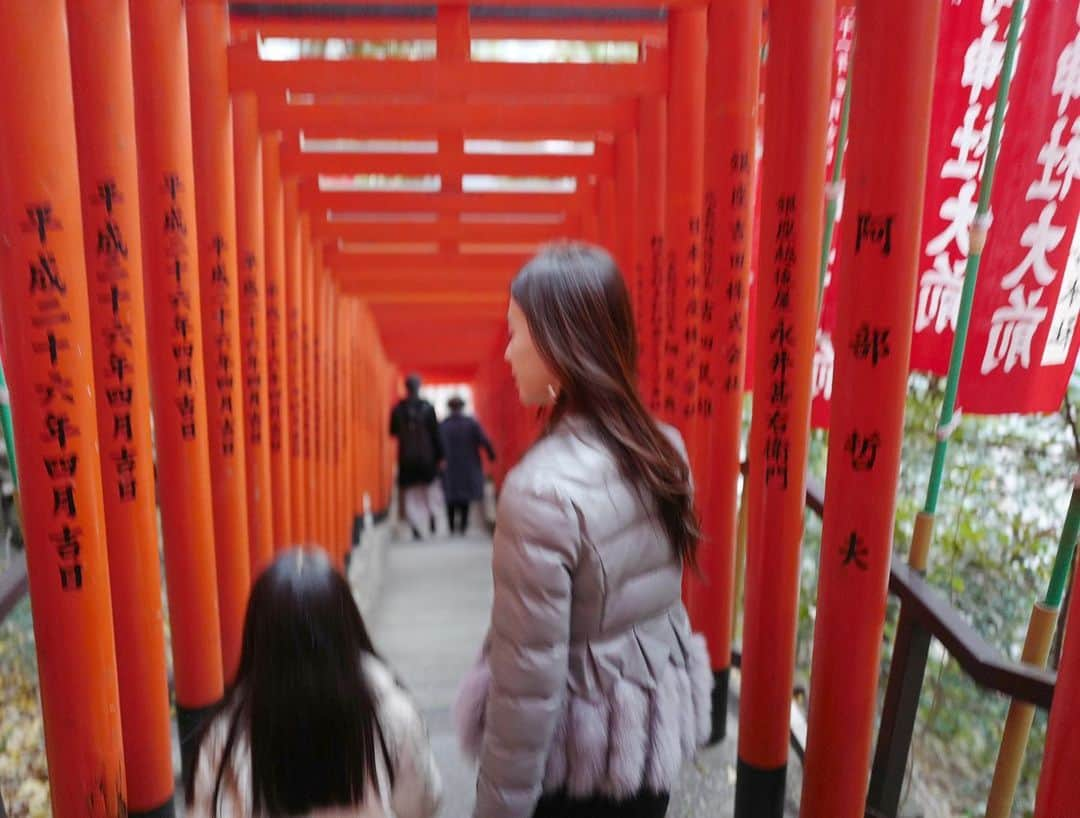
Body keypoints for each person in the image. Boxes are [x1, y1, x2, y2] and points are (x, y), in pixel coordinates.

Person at [453, 242, 713, 818]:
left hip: (577, 774)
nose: (508, 353)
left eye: (516, 332)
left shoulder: (540, 492)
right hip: (645, 752)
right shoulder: (663, 450)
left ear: (558, 346)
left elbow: (526, 692)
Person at [186, 547, 442, 818]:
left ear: (258, 639)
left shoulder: (225, 735)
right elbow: (421, 804)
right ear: (347, 629)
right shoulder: (392, 717)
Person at [389, 374, 444, 540]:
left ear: (406, 388)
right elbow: (436, 434)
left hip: (407, 457)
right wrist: (441, 455)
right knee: (430, 490)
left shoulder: (398, 409)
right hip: (427, 456)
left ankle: (415, 526)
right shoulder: (428, 408)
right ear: (419, 387)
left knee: (411, 494)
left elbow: (392, 432)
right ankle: (432, 516)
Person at [439, 396, 496, 535]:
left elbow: (436, 445)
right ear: (462, 407)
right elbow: (484, 440)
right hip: (468, 463)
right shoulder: (471, 423)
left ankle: (452, 526)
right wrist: (491, 453)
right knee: (465, 494)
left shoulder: (443, 425)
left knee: (451, 495)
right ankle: (463, 526)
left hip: (450, 465)